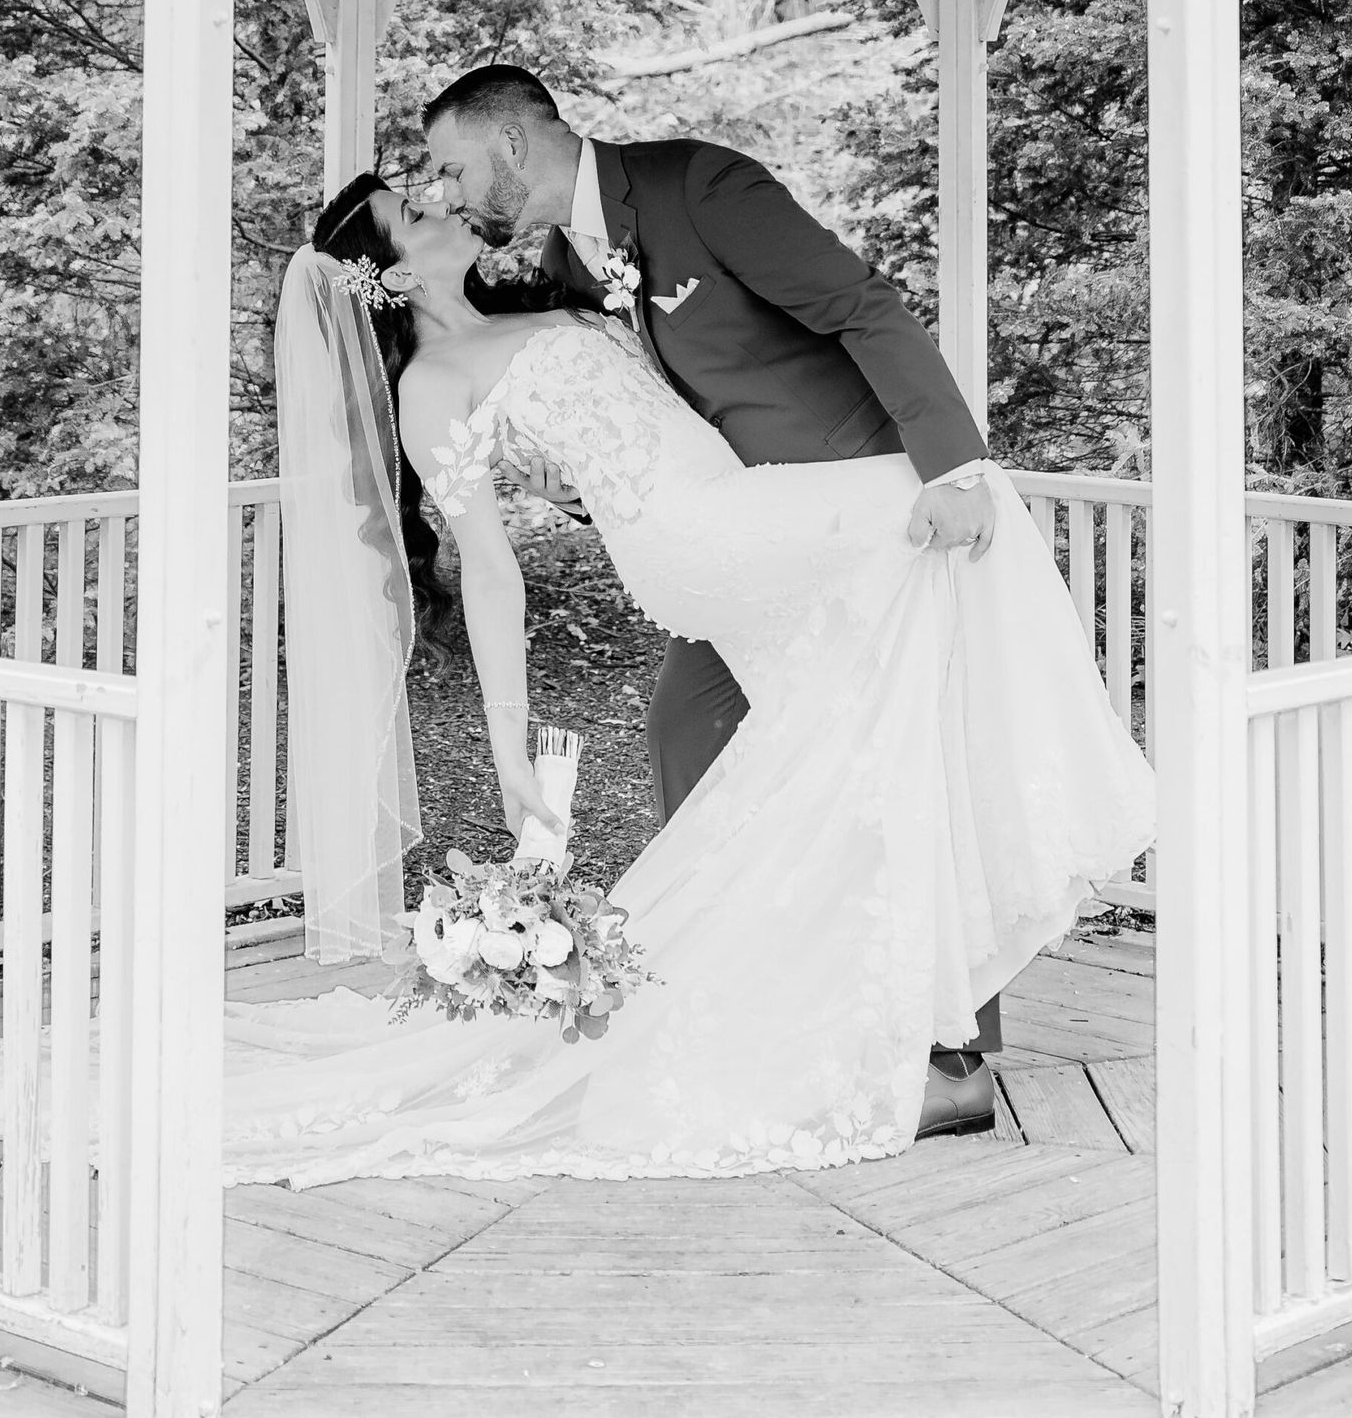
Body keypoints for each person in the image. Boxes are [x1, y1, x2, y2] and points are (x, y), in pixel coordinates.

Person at [221, 176, 1154, 1189]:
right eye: (416, 208)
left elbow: (635, 409)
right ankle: (1083, 795)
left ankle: (910, 1040)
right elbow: (489, 572)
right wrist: (507, 753)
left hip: (733, 502)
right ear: (392, 272)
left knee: (858, 730)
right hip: (691, 539)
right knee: (946, 489)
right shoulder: (431, 384)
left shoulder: (546, 297)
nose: (444, 202)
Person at [423, 66, 1008, 1138]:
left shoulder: (697, 188)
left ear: (513, 143)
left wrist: (952, 469)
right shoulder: (563, 262)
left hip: (848, 511)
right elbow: (654, 431)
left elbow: (862, 306)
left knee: (881, 761)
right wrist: (587, 491)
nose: (447, 192)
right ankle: (768, 992)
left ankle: (949, 1049)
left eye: (453, 165)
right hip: (746, 542)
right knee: (690, 729)